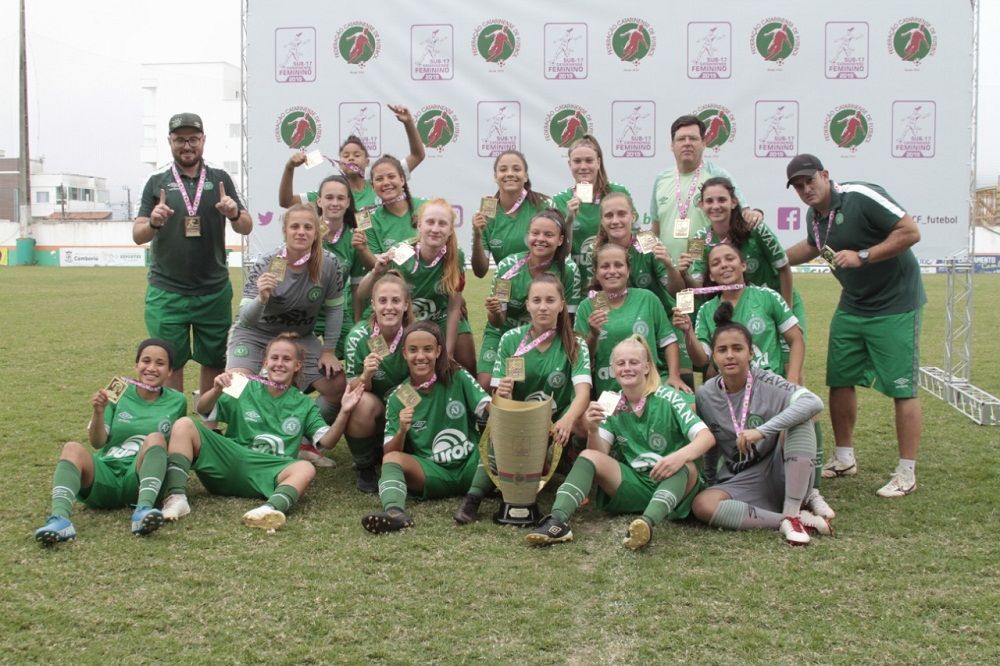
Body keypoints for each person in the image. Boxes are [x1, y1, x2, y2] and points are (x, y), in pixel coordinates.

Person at [784, 153, 925, 497]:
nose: (806, 189)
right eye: (799, 186)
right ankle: (844, 457)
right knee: (840, 378)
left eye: (810, 180)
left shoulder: (861, 196)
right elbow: (813, 247)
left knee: (902, 387)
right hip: (853, 303)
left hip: (896, 303)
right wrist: (773, 257)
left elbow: (910, 231)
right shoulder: (815, 216)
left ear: (826, 175)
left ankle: (907, 472)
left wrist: (864, 255)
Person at [527, 336, 715, 549]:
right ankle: (557, 521)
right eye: (621, 363)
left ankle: (646, 523)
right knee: (587, 456)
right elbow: (598, 457)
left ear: (646, 367)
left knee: (686, 466)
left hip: (673, 485)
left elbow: (707, 438)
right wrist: (593, 429)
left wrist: (678, 457)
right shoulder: (610, 401)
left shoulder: (668, 397)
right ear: (613, 369)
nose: (627, 368)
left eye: (634, 363)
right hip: (635, 484)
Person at [161, 334, 364, 529]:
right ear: (265, 363)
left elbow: (327, 441)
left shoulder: (303, 404)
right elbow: (203, 410)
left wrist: (345, 411)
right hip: (232, 461)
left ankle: (269, 509)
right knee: (185, 424)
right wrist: (215, 390)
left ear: (297, 366)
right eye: (274, 358)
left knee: (305, 468)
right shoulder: (243, 385)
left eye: (287, 359)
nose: (279, 363)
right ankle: (177, 498)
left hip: (269, 472)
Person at [453, 274, 592, 524]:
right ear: (527, 304)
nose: (543, 306)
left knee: (587, 419)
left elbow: (583, 393)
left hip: (556, 425)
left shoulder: (575, 343)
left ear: (562, 304)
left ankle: (569, 467)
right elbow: (498, 400)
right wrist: (503, 393)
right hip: (521, 422)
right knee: (500, 427)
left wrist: (569, 419)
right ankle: (473, 499)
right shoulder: (511, 339)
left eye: (550, 300)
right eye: (536, 300)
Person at [692, 306, 834, 545]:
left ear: (750, 353)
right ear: (714, 357)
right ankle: (787, 520)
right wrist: (711, 481)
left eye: (737, 349)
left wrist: (762, 431)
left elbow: (814, 401)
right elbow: (711, 443)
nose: (729, 355)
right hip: (743, 478)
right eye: (722, 350)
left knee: (801, 418)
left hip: (782, 470)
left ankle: (794, 506)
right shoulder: (706, 394)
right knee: (702, 505)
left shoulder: (767, 380)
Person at [133, 112, 253, 395]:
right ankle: (175, 424)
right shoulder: (157, 181)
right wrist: (153, 220)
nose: (187, 146)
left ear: (203, 140)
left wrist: (234, 212)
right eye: (180, 140)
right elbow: (138, 235)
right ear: (170, 141)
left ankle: (207, 424)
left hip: (212, 290)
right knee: (169, 362)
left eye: (193, 139)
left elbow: (246, 227)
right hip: (167, 291)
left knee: (214, 359)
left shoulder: (220, 179)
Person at [34, 339, 188, 545]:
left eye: (160, 363)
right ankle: (60, 520)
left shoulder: (177, 400)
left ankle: (143, 512)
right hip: (107, 475)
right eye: (146, 361)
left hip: (140, 478)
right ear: (136, 365)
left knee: (156, 438)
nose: (151, 368)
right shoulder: (118, 389)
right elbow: (97, 442)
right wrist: (98, 412)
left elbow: (177, 442)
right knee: (72, 448)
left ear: (170, 372)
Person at [361, 323, 492, 534]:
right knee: (391, 459)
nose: (420, 356)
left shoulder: (456, 375)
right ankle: (395, 513)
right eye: (413, 350)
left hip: (471, 466)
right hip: (433, 473)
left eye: (428, 349)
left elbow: (489, 408)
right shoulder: (398, 396)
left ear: (438, 351)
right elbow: (390, 451)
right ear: (404, 353)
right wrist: (402, 430)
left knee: (497, 436)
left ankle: (474, 500)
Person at [227, 204, 345, 433]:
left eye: (308, 227)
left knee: (337, 385)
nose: (301, 232)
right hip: (256, 334)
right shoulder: (266, 263)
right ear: (285, 231)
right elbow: (246, 320)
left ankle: (300, 439)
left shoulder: (329, 264)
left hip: (299, 338)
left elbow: (334, 310)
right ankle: (248, 439)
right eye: (295, 226)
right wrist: (261, 298)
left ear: (317, 232)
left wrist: (329, 350)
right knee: (234, 385)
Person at [357, 198, 476, 374]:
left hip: (438, 317)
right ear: (419, 225)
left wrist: (448, 353)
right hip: (405, 320)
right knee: (404, 368)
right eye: (430, 222)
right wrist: (376, 271)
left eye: (442, 224)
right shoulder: (401, 253)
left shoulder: (455, 255)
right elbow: (362, 293)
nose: (435, 229)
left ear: (450, 230)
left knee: (466, 360)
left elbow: (453, 307)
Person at [476, 209, 582, 391]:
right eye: (535, 233)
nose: (540, 239)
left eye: (548, 235)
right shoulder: (508, 268)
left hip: (550, 335)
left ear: (560, 240)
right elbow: (498, 321)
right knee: (487, 385)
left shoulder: (568, 270)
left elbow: (569, 319)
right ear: (528, 236)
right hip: (505, 332)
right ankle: (490, 419)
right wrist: (494, 311)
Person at [673, 243, 804, 385]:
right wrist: (688, 332)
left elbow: (796, 339)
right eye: (716, 263)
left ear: (743, 265)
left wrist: (792, 378)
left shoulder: (768, 297)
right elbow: (701, 360)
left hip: (770, 388)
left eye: (730, 259)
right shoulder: (706, 310)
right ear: (711, 275)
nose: (724, 265)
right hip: (729, 393)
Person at [575, 243, 687, 395]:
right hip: (612, 392)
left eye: (619, 265)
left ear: (628, 271)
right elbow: (581, 359)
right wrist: (593, 335)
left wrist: (674, 376)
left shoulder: (647, 298)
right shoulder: (586, 307)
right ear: (596, 272)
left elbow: (668, 341)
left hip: (653, 385)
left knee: (692, 406)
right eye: (605, 266)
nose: (612, 271)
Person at [649, 115, 761, 265]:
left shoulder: (717, 175)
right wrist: (639, 252)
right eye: (681, 139)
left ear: (703, 143)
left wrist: (756, 213)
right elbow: (655, 229)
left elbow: (746, 214)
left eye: (693, 138)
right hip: (667, 271)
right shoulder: (661, 179)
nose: (687, 143)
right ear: (672, 145)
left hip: (706, 270)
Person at [342, 271, 417, 492]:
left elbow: (429, 381)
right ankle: (365, 465)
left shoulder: (417, 333)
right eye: (382, 301)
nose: (389, 307)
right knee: (361, 403)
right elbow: (351, 392)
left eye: (396, 300)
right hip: (376, 405)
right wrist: (366, 375)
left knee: (420, 399)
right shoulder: (358, 337)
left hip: (405, 399)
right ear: (373, 304)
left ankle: (410, 453)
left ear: (405, 305)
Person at [278, 104, 425, 211]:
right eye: (346, 155)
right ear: (340, 163)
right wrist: (289, 168)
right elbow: (287, 201)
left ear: (367, 162)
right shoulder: (334, 192)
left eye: (357, 155)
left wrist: (408, 123)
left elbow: (418, 155)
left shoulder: (380, 183)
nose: (351, 159)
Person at [551, 135, 631, 286]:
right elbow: (560, 254)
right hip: (576, 284)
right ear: (569, 164)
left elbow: (636, 237)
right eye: (577, 161)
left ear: (598, 162)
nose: (583, 166)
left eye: (589, 160)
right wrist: (568, 221)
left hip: (614, 280)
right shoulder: (560, 200)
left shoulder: (618, 192)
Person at [470, 150, 550, 278]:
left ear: (526, 176)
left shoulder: (544, 206)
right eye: (503, 169)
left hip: (542, 287)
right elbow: (480, 272)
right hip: (506, 289)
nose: (510, 174)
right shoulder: (486, 215)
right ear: (495, 177)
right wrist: (477, 237)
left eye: (516, 169)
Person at [364, 155, 427, 256]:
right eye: (379, 179)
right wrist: (362, 250)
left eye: (391, 176)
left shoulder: (426, 206)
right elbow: (375, 263)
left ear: (402, 180)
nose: (386, 182)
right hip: (391, 272)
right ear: (372, 186)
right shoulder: (367, 219)